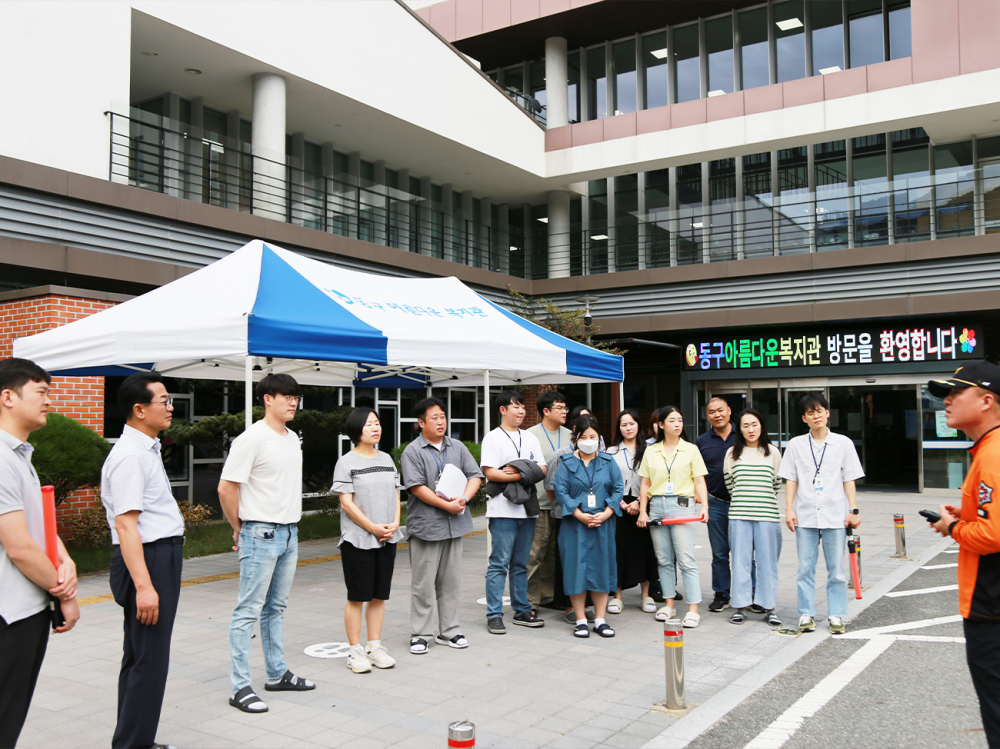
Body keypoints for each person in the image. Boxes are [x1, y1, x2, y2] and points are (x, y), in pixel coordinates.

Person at [219, 373, 314, 714]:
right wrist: (239, 528)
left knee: (275, 608)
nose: (293, 402)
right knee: (248, 610)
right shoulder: (251, 439)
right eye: (286, 396)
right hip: (260, 533)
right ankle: (240, 687)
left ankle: (276, 674)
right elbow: (226, 488)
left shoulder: (291, 438)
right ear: (267, 399)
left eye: (296, 397)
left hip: (289, 533)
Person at [101, 371, 183, 749]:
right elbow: (126, 525)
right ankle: (133, 744)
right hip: (148, 560)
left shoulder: (145, 448)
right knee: (149, 660)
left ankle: (133, 740)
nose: (170, 407)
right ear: (139, 409)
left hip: (155, 556)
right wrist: (145, 586)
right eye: (163, 401)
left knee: (140, 656)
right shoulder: (131, 456)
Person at [0, 358, 79, 749]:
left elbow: (39, 525)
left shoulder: (19, 455)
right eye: (42, 392)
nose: (49, 401)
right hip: (9, 615)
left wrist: (67, 561)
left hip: (26, 609)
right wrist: (65, 592)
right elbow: (18, 546)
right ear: (8, 397)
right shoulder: (1, 459)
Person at [925, 361, 1000, 748]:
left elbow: (993, 535)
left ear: (987, 401)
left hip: (991, 608)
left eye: (957, 392)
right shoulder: (988, 449)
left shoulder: (992, 455)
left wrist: (952, 527)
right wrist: (963, 516)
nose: (947, 401)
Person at [400, 397, 482, 655]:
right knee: (423, 585)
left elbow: (475, 475)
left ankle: (449, 630)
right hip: (426, 527)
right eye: (434, 417)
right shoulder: (412, 451)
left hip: (454, 525)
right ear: (421, 422)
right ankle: (421, 634)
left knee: (450, 583)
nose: (440, 422)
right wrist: (447, 505)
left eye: (443, 416)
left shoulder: (457, 446)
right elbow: (416, 487)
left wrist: (464, 499)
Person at [779, 393, 863, 635]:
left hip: (835, 515)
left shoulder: (843, 443)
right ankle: (806, 613)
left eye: (819, 411)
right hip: (805, 515)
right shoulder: (796, 445)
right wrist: (789, 509)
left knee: (836, 569)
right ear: (804, 418)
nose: (816, 416)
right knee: (805, 568)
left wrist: (853, 510)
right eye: (810, 412)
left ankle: (836, 613)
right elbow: (791, 479)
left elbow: (849, 479)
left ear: (827, 413)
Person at [332, 408, 404, 673]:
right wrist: (371, 527)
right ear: (356, 430)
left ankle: (374, 647)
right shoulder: (346, 462)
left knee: (378, 596)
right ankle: (354, 651)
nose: (375, 428)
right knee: (357, 596)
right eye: (368, 424)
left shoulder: (386, 459)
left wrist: (395, 522)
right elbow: (346, 503)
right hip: (358, 539)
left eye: (377, 423)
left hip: (386, 537)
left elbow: (396, 494)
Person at [480, 390, 546, 634]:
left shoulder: (530, 438)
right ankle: (494, 614)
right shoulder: (492, 438)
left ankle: (521, 610)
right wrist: (526, 473)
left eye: (522, 407)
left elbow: (542, 469)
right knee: (499, 563)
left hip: (527, 510)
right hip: (502, 511)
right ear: (503, 410)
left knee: (521, 564)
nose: (521, 411)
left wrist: (517, 473)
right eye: (515, 406)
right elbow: (491, 473)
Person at [638, 406, 708, 628]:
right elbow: (645, 483)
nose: (677, 424)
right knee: (664, 559)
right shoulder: (651, 451)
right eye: (672, 420)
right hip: (657, 505)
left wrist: (705, 507)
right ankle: (669, 604)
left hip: (682, 505)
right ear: (661, 425)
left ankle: (693, 608)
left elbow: (699, 480)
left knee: (686, 559)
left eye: (680, 420)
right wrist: (643, 510)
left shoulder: (691, 449)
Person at [553, 415, 623, 638]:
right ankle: (581, 619)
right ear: (576, 438)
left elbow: (618, 488)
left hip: (603, 523)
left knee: (601, 567)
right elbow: (560, 491)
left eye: (593, 436)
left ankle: (600, 619)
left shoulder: (608, 462)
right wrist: (580, 515)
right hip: (575, 525)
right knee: (575, 568)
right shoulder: (566, 463)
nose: (589, 441)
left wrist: (607, 513)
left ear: (599, 438)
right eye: (584, 437)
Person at [724, 409, 782, 627]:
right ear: (739, 429)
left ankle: (769, 607)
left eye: (754, 424)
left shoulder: (773, 452)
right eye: (745, 425)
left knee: (767, 563)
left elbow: (776, 484)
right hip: (739, 515)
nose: (750, 429)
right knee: (740, 562)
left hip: (767, 516)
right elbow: (730, 484)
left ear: (761, 426)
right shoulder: (732, 453)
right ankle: (740, 606)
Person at [606, 409, 657, 615]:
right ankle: (617, 596)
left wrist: (639, 502)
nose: (628, 428)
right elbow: (606, 481)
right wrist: (618, 501)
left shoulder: (650, 450)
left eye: (632, 423)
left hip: (643, 504)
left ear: (638, 425)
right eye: (624, 424)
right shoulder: (611, 452)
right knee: (618, 549)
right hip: (618, 506)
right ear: (619, 428)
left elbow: (656, 479)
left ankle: (646, 594)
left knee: (644, 549)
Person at [526, 390, 571, 614]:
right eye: (560, 408)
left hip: (564, 507)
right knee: (535, 555)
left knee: (555, 555)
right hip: (540, 505)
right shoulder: (530, 436)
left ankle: (549, 596)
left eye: (565, 408)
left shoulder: (572, 435)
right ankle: (529, 603)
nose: (565, 412)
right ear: (546, 411)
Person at [696, 397, 740, 614]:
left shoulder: (743, 435)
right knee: (720, 553)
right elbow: (696, 473)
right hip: (715, 503)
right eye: (712, 412)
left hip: (743, 503)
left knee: (744, 553)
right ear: (707, 416)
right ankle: (721, 594)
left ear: (729, 411)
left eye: (720, 410)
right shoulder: (702, 441)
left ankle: (749, 594)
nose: (717, 415)